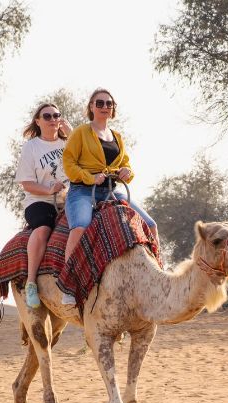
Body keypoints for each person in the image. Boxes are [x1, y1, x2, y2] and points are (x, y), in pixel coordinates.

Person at [61, 88, 157, 305]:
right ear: (91, 107)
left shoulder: (117, 137)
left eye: (109, 104)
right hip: (83, 190)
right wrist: (89, 177)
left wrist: (127, 172)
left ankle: (156, 275)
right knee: (81, 226)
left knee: (150, 225)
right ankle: (69, 284)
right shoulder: (80, 133)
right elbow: (69, 163)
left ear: (113, 109)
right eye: (100, 103)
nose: (105, 107)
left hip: (113, 190)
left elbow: (126, 163)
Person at [14, 102, 72, 309]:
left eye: (56, 115)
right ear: (38, 122)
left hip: (71, 197)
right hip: (40, 200)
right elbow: (26, 183)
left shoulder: (68, 143)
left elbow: (89, 160)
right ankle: (31, 282)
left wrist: (72, 134)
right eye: (47, 116)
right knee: (43, 228)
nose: (53, 120)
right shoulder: (31, 147)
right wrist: (49, 190)